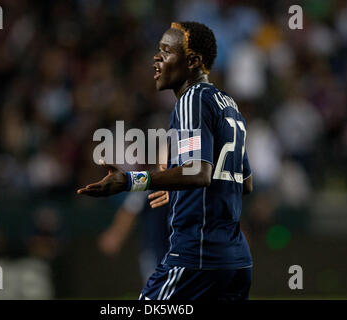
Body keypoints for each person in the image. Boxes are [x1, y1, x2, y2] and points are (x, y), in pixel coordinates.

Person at [78, 21, 253, 300]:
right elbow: (244, 183)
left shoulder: (191, 100)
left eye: (167, 51)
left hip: (196, 257)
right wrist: (179, 186)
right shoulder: (229, 105)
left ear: (193, 61)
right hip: (235, 261)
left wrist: (130, 180)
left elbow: (199, 173)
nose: (157, 58)